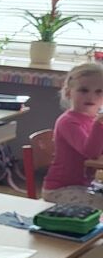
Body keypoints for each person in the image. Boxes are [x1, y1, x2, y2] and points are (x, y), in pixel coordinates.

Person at [43, 61, 103, 209]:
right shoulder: (68, 122)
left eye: (99, 91)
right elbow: (90, 152)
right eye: (84, 90)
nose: (91, 96)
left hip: (84, 185)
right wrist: (99, 124)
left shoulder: (92, 120)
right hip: (60, 189)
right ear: (69, 92)